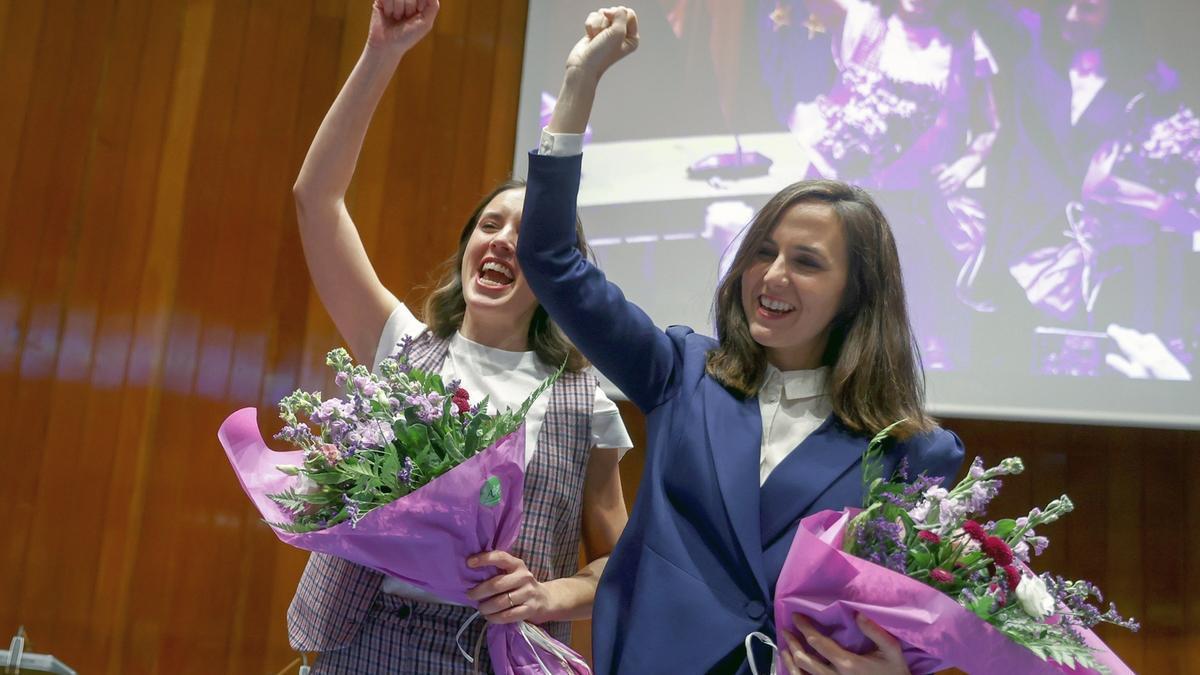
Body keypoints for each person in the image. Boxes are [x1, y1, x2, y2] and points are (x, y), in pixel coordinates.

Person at [517, 7, 965, 673]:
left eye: (806, 261)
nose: (772, 275)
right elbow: (552, 257)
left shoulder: (911, 450)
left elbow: (920, 616)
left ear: (857, 294)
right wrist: (580, 84)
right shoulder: (680, 372)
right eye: (763, 251)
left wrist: (903, 671)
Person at [285, 1, 632, 672]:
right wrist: (380, 53)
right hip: (363, 646)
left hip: (493, 653)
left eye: (530, 236)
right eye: (490, 224)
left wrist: (547, 592)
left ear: (560, 272)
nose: (504, 240)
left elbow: (619, 563)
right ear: (469, 244)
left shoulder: (585, 403)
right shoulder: (400, 345)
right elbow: (315, 199)